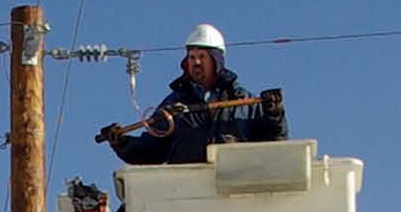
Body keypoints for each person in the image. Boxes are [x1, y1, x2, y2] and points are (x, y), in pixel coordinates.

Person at [98, 23, 278, 166]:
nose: (196, 62)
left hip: (235, 194)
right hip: (188, 193)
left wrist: (274, 114)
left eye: (202, 56)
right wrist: (122, 142)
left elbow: (274, 145)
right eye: (192, 57)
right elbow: (152, 150)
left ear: (216, 60)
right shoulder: (175, 103)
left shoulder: (244, 102)